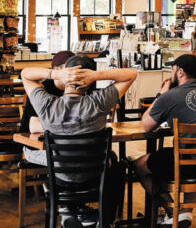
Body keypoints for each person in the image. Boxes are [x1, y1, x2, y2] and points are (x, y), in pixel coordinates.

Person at [20, 56, 137, 228]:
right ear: (89, 83)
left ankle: (69, 211)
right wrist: (96, 75)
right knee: (116, 163)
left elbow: (25, 74)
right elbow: (132, 74)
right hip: (93, 177)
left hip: (61, 180)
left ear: (64, 76)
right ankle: (104, 221)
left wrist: (55, 74)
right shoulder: (99, 102)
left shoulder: (46, 104)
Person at [135, 54, 196, 228]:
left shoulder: (170, 96)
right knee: (191, 151)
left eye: (173, 70)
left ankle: (172, 212)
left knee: (140, 165)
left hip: (187, 165)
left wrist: (161, 94)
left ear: (180, 72)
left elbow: (146, 125)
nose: (171, 74)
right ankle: (185, 212)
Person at [20, 50, 72, 132]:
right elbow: (34, 126)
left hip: (61, 136)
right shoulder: (41, 89)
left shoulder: (76, 89)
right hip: (30, 136)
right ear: (57, 69)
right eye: (70, 69)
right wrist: (73, 126)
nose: (74, 73)